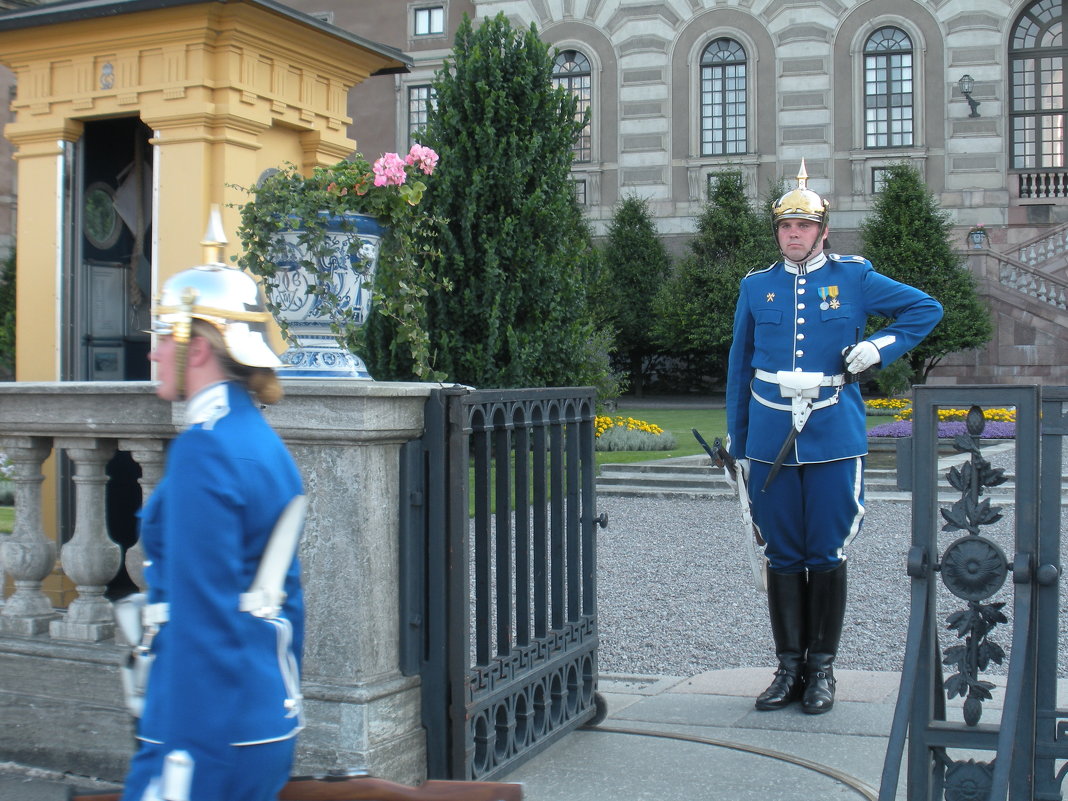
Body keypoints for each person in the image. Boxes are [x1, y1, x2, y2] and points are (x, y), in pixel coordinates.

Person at [725, 161, 943, 714]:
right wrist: (741, 447)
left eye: (802, 226)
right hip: (770, 433)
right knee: (780, 553)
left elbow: (925, 308)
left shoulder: (854, 277)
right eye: (784, 226)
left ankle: (822, 671)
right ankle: (788, 667)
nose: (792, 235)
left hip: (832, 434)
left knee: (825, 550)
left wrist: (879, 347)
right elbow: (740, 369)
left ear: (823, 231)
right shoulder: (756, 287)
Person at [120, 222, 306, 801]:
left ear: (197, 345)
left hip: (204, 736)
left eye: (161, 335)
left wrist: (181, 757)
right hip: (264, 718)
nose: (151, 350)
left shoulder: (206, 447)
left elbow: (203, 623)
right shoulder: (258, 439)